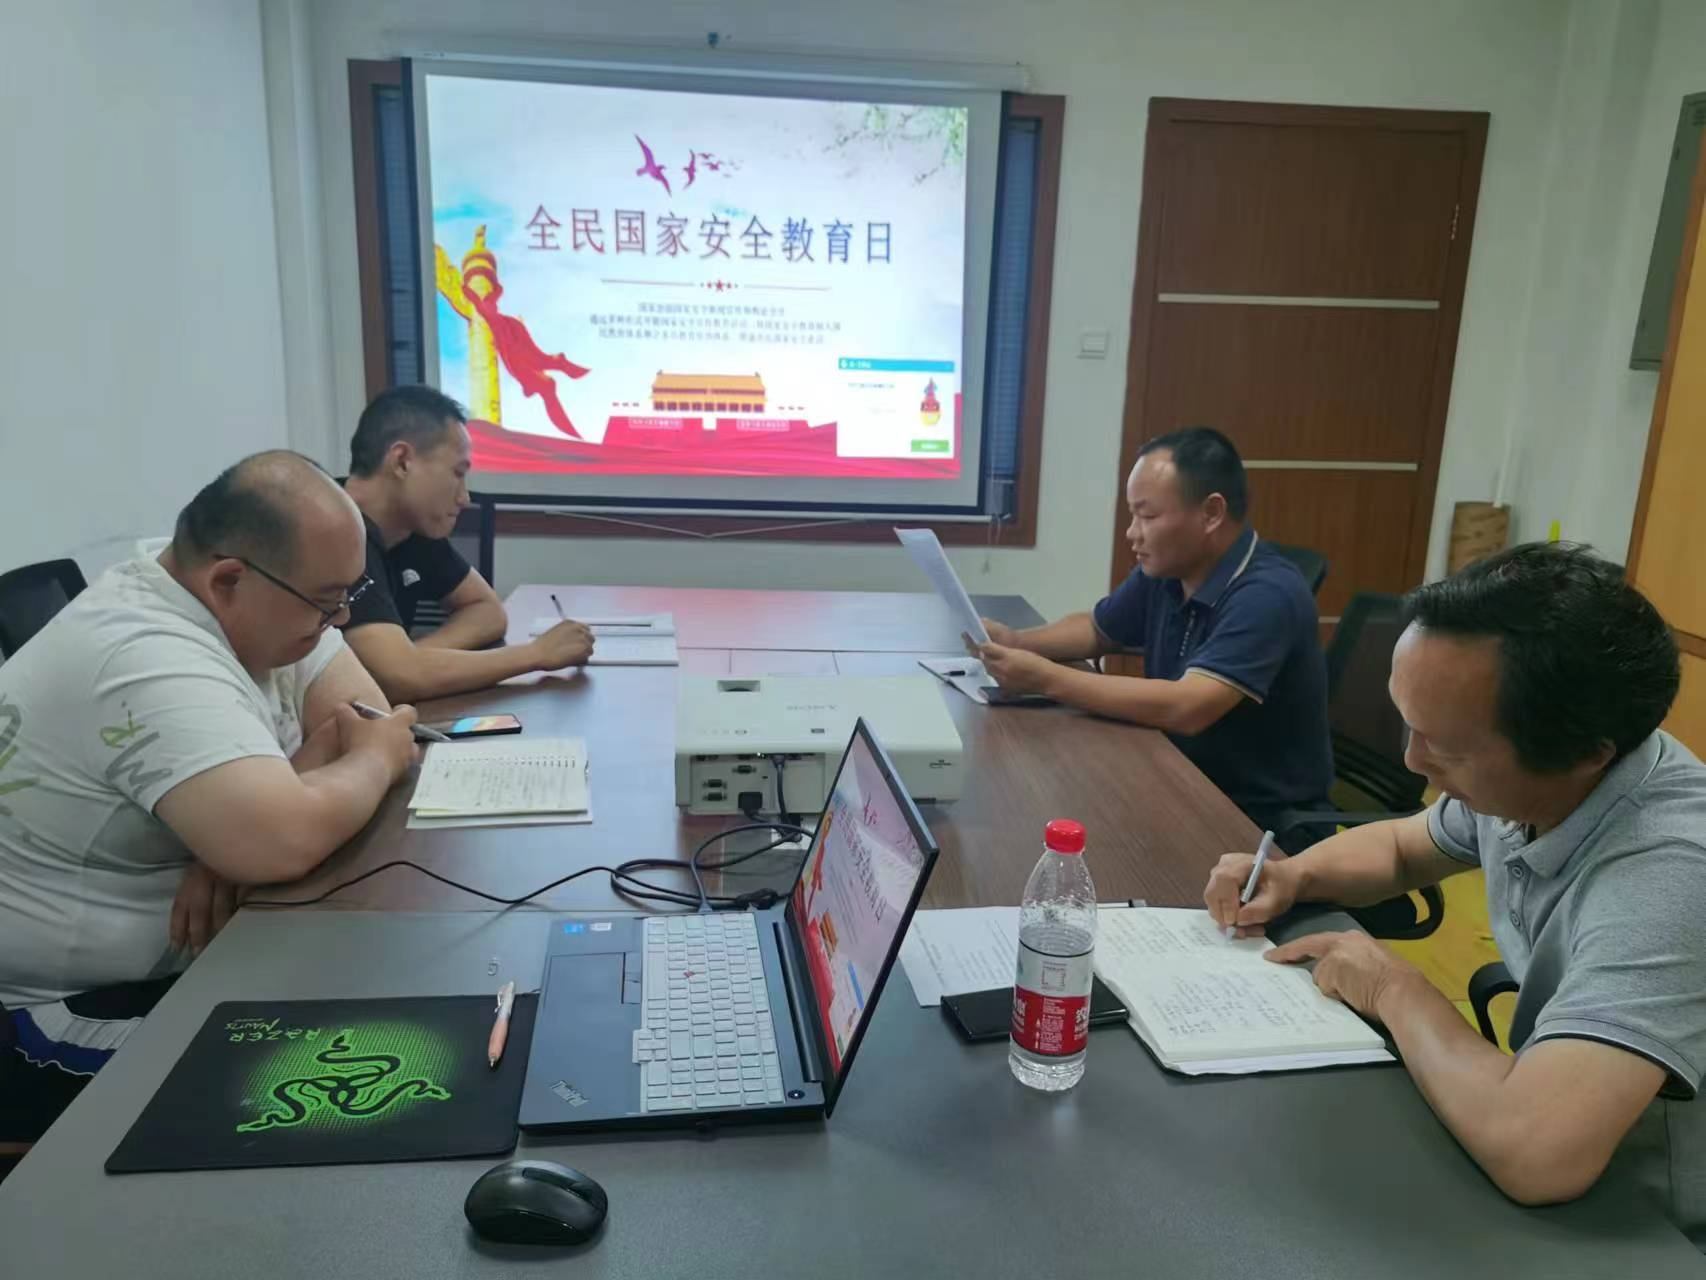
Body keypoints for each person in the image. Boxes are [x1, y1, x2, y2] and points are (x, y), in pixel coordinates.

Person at [1204, 543, 1706, 1245]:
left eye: (1447, 747)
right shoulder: (1534, 781)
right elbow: (1404, 847)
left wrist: (1393, 987)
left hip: (1646, 1211)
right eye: (1411, 725)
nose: (1412, 761)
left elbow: (1538, 1152)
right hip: (1543, 1111)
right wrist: (1297, 875)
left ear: (1586, 753)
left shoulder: (1671, 875)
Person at [0, 451, 421, 1152]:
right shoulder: (142, 652)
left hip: (205, 958)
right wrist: (356, 769)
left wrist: (237, 837)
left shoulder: (260, 607)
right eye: (327, 602)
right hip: (59, 1010)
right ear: (228, 580)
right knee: (342, 1097)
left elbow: (362, 714)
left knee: (391, 1019)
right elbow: (302, 819)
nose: (342, 617)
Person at [973, 425, 1332, 837]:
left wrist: (1043, 678)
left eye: (1147, 516)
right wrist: (1018, 642)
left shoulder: (1268, 594)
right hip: (1178, 777)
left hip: (1258, 825)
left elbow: (1187, 707)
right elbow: (1098, 628)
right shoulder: (1170, 569)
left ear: (1211, 513)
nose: (1132, 532)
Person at [340, 385, 595, 701]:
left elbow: (487, 611)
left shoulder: (410, 526)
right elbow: (398, 679)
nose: (464, 498)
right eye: (457, 473)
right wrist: (536, 654)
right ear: (402, 461)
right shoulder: (335, 530)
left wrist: (416, 657)